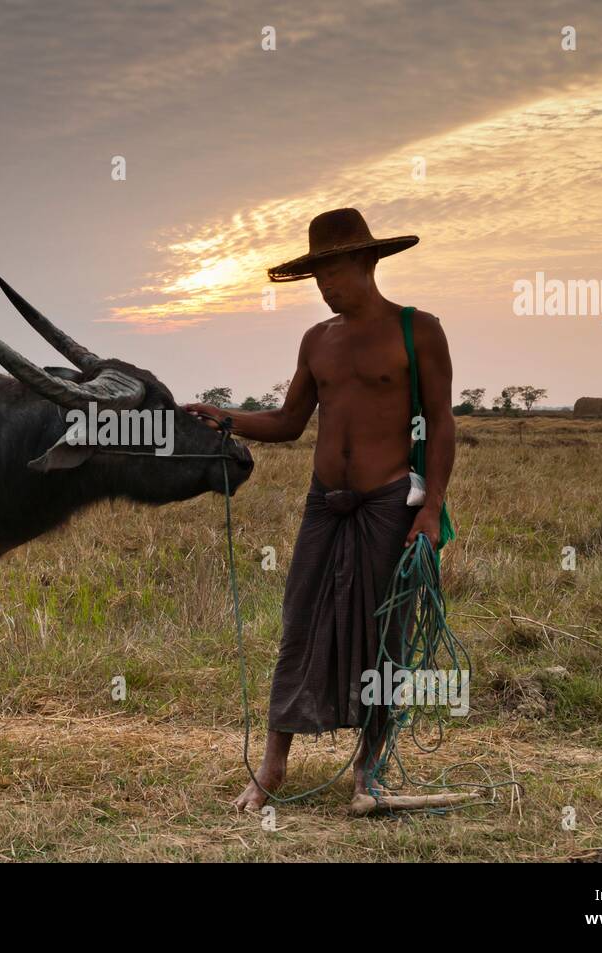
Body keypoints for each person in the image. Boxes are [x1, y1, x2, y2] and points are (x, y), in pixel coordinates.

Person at [183, 208, 456, 812]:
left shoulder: (419, 330)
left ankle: (368, 776)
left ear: (368, 263)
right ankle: (271, 770)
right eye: (316, 275)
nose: (325, 285)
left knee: (387, 633)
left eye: (334, 270)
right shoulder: (317, 340)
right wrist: (223, 416)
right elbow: (286, 423)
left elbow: (440, 423)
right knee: (299, 623)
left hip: (390, 504)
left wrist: (431, 509)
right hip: (323, 505)